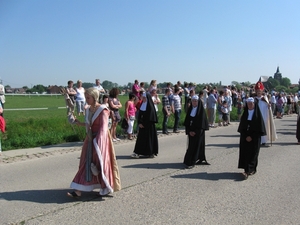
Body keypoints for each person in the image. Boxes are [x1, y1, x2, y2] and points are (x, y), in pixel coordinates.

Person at [67, 87, 121, 197]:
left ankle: (105, 186)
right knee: (86, 163)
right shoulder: (88, 109)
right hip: (91, 139)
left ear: (95, 97)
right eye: (86, 97)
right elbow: (89, 124)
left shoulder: (103, 110)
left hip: (101, 141)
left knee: (100, 164)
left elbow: (103, 128)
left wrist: (98, 143)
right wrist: (79, 123)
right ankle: (78, 190)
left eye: (88, 97)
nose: (86, 99)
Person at [238, 97, 266, 180]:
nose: (250, 105)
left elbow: (259, 128)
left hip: (254, 138)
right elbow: (242, 127)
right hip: (245, 137)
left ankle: (249, 170)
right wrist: (246, 136)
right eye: (248, 104)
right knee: (245, 152)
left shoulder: (257, 115)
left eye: (251, 104)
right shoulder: (245, 114)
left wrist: (252, 136)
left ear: (254, 104)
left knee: (253, 153)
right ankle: (247, 169)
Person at [183, 95, 210, 169]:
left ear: (198, 102)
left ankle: (193, 161)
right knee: (191, 146)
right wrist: (189, 131)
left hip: (198, 133)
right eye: (193, 101)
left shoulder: (201, 111)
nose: (194, 102)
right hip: (191, 132)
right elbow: (187, 123)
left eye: (195, 101)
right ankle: (190, 160)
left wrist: (195, 132)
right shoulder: (190, 110)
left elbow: (201, 124)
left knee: (197, 146)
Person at [131, 92, 158, 159]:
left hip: (149, 126)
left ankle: (150, 152)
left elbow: (150, 118)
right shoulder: (142, 105)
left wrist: (144, 124)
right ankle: (138, 152)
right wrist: (140, 123)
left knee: (149, 140)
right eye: (142, 97)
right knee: (141, 140)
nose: (143, 99)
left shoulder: (150, 107)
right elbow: (139, 116)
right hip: (142, 126)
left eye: (144, 98)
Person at [254, 81, 277, 146]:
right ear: (256, 91)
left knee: (264, 128)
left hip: (264, 115)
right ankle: (257, 140)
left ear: (262, 91)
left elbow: (268, 107)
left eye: (260, 91)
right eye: (257, 91)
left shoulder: (264, 98)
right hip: (257, 116)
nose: (258, 92)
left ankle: (263, 141)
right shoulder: (254, 99)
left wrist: (269, 107)